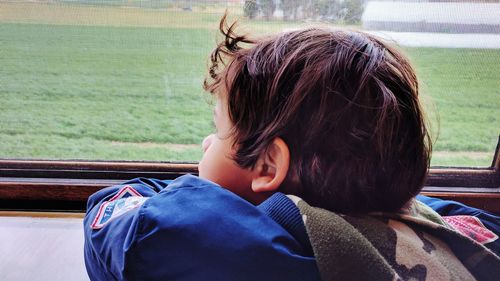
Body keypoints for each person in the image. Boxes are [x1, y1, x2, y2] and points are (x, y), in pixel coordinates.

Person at [84, 16, 500, 280]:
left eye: (219, 133)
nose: (206, 143)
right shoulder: (459, 232)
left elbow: (125, 226)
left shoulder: (238, 252)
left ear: (268, 166)